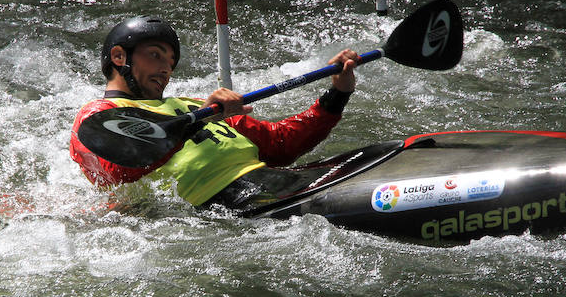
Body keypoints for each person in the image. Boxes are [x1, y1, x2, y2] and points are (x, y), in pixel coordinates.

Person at [70, 15, 358, 207]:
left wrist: (337, 94)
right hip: (214, 205)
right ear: (119, 57)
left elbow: (280, 144)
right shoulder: (99, 116)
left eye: (170, 62)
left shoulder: (194, 106)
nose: (165, 69)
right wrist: (194, 124)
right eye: (155, 55)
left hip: (267, 182)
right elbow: (116, 171)